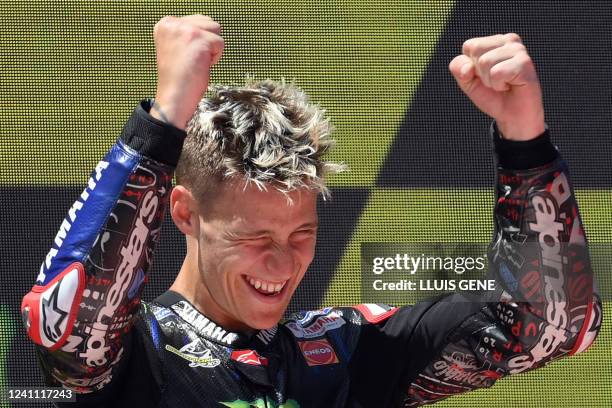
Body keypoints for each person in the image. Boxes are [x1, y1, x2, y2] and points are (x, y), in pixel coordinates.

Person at [21, 15, 602, 407]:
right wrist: (165, 118)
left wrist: (525, 142)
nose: (281, 262)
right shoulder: (134, 352)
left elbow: (554, 325)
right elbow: (65, 321)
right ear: (183, 212)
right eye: (255, 235)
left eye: (302, 231)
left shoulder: (345, 350)